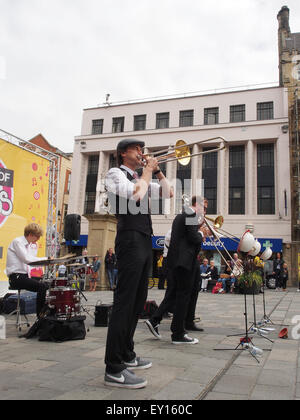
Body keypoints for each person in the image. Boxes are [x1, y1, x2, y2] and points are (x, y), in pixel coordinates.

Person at [103, 138, 173, 389]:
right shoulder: (115, 174)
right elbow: (136, 194)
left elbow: (168, 193)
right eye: (137, 149)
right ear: (123, 153)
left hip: (144, 238)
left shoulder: (139, 175)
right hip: (129, 238)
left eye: (142, 150)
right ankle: (113, 367)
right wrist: (146, 171)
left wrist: (157, 170)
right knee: (125, 301)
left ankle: (126, 353)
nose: (141, 153)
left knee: (137, 300)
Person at [166, 195, 210, 344]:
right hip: (184, 262)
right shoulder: (191, 213)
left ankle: (178, 329)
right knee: (183, 297)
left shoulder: (184, 214)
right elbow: (193, 237)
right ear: (196, 205)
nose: (204, 211)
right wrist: (202, 233)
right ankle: (178, 333)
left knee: (181, 296)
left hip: (179, 261)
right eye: (203, 208)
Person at [6, 223, 49, 317]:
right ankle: (40, 315)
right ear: (30, 235)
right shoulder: (18, 242)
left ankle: (46, 312)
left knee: (47, 285)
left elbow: (32, 262)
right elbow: (27, 259)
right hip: (16, 277)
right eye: (37, 236)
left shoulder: (30, 245)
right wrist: (46, 259)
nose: (38, 239)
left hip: (24, 276)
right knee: (41, 287)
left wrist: (47, 262)